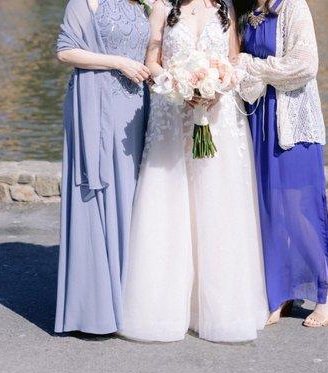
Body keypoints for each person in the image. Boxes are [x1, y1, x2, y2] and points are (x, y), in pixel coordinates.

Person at [119, 0, 269, 342]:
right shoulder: (160, 8)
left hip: (218, 119)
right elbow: (151, 63)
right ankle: (165, 307)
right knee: (170, 204)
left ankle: (214, 309)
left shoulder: (225, 8)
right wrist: (174, 83)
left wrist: (219, 86)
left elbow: (233, 60)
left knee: (216, 206)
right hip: (173, 118)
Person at [233, 0, 328, 327]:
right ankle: (281, 292)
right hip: (259, 123)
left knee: (297, 208)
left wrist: (255, 67)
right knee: (269, 209)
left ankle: (327, 289)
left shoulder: (292, 7)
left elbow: (305, 64)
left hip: (292, 124)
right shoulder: (245, 10)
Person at [54, 0, 151, 334]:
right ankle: (95, 308)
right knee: (100, 194)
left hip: (136, 110)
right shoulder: (87, 0)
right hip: (97, 103)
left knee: (133, 196)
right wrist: (119, 63)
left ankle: (130, 298)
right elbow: (66, 51)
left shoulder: (142, 2)